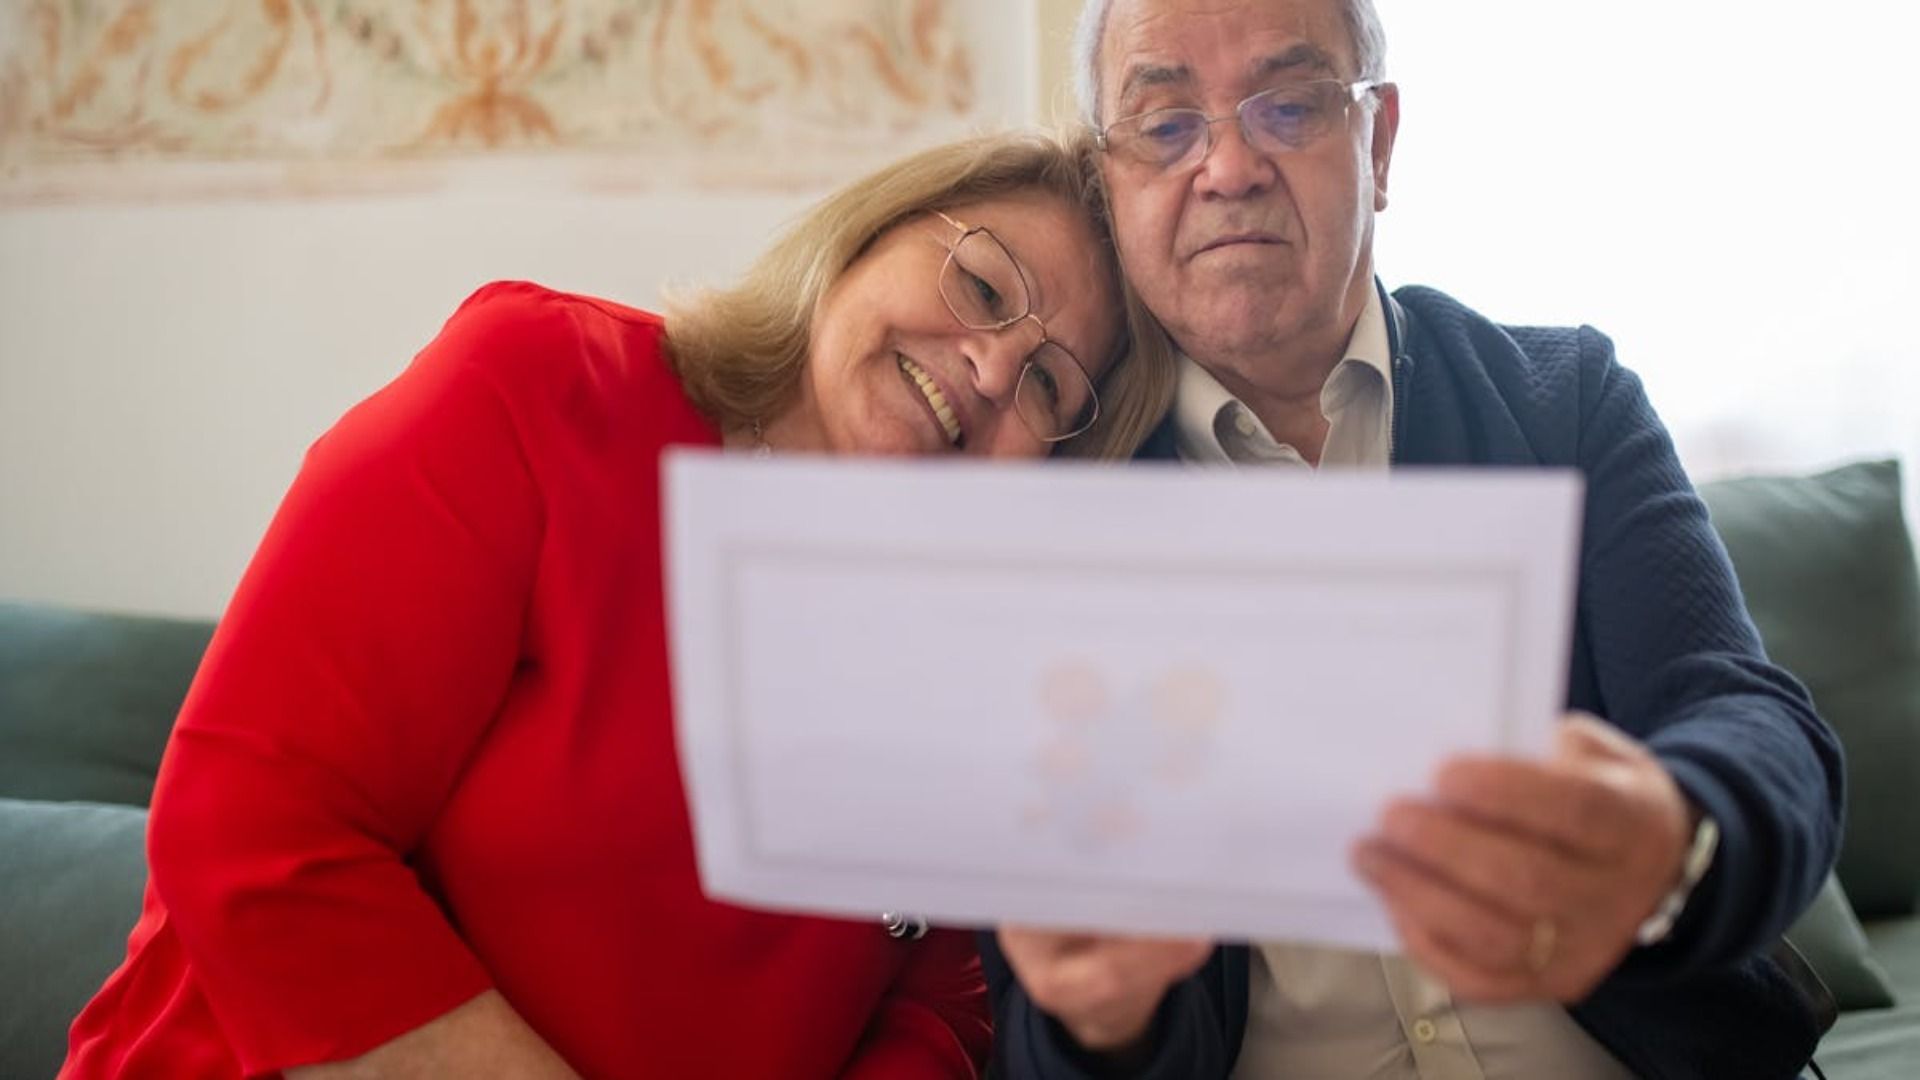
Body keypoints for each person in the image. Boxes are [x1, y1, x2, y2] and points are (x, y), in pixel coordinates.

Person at [60, 130, 1175, 1079]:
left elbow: (939, 1008)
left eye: (1048, 387)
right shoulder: (543, 389)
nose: (989, 368)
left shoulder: (965, 668)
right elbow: (252, 830)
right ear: (867, 235)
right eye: (984, 289)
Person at [984, 2, 1845, 1078]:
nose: (1230, 166)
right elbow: (1036, 1024)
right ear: (1110, 183)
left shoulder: (1563, 401)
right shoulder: (1060, 519)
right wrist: (1100, 1021)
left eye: (1289, 105)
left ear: (1377, 143)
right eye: (1166, 126)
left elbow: (1748, 718)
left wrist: (1675, 832)